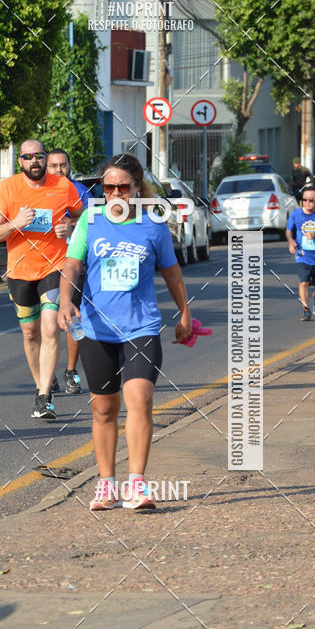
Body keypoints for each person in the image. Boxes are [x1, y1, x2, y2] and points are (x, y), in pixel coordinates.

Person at [58, 154, 192, 512]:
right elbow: (72, 263)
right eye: (108, 188)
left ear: (137, 188)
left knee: (140, 400)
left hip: (141, 327)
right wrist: (65, 301)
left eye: (123, 187)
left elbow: (171, 272)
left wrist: (184, 313)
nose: (115, 194)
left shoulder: (153, 224)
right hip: (96, 329)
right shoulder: (90, 221)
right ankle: (107, 485)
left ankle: (137, 483)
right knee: (104, 410)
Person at [0, 139, 83, 419]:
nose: (34, 161)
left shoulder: (63, 185)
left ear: (45, 158)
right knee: (30, 333)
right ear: (20, 161)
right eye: (28, 157)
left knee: (50, 328)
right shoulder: (8, 187)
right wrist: (15, 223)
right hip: (20, 271)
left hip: (54, 267)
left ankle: (43, 398)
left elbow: (83, 216)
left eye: (39, 155)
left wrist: (70, 226)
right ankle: (42, 382)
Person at [46, 147, 91, 395]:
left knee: (73, 318)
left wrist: (71, 226)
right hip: (44, 265)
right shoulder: (38, 191)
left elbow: (90, 219)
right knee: (47, 321)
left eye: (63, 165)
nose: (59, 170)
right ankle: (48, 372)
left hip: (73, 265)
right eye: (54, 165)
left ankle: (71, 371)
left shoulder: (80, 190)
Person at [286, 185, 315, 321]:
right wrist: (291, 241)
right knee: (303, 282)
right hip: (302, 256)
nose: (307, 203)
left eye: (311, 200)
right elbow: (289, 231)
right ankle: (306, 310)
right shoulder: (295, 214)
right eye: (304, 200)